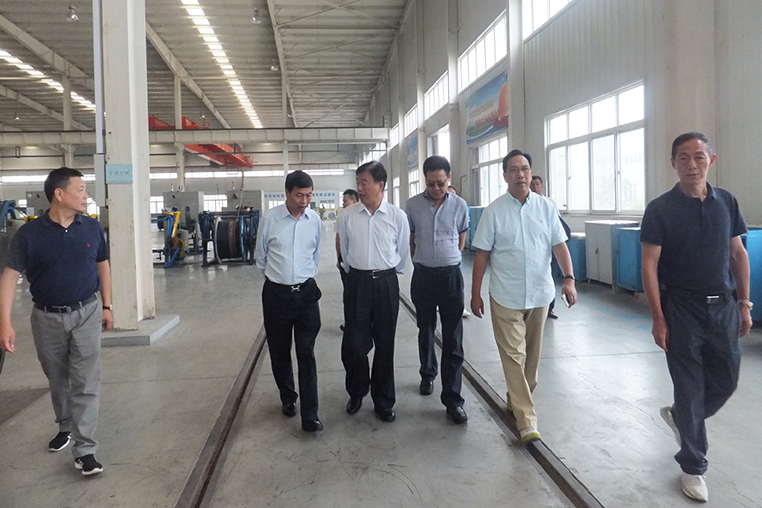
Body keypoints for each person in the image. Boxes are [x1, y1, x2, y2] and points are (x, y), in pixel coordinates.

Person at [640, 132, 751, 502]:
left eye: (699, 157)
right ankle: (693, 466)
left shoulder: (727, 202)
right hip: (682, 309)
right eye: (684, 158)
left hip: (724, 307)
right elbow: (650, 264)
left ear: (711, 160)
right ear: (673, 162)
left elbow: (738, 253)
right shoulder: (660, 209)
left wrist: (744, 303)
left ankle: (682, 418)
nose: (692, 164)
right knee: (689, 388)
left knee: (726, 381)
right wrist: (658, 317)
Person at [0, 167, 112, 476]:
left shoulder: (91, 228)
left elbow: (103, 266)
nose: (86, 195)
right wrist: (5, 323)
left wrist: (107, 305)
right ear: (59, 194)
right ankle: (65, 426)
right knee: (58, 378)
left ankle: (85, 450)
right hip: (46, 317)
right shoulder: (29, 235)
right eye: (81, 190)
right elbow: (9, 277)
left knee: (86, 381)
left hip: (87, 311)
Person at [470, 150, 577, 443]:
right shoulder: (494, 212)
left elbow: (559, 245)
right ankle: (527, 420)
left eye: (525, 169)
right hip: (505, 295)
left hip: (540, 294)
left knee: (531, 362)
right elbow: (482, 255)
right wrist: (475, 293)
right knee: (513, 357)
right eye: (514, 170)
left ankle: (516, 396)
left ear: (531, 173)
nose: (521, 174)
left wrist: (569, 279)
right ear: (505, 176)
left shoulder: (546, 207)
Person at [337, 161, 409, 423]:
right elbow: (344, 250)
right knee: (355, 344)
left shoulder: (397, 216)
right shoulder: (348, 216)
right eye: (358, 182)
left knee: (385, 343)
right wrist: (354, 274)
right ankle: (357, 392)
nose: (359, 188)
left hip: (385, 284)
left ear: (380, 185)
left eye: (364, 182)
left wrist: (386, 272)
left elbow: (402, 253)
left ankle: (384, 400)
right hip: (357, 283)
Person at [255, 170, 324, 432]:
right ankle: (288, 397)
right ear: (286, 193)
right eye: (299, 195)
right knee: (280, 351)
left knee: (306, 351)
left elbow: (316, 253)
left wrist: (302, 277)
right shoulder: (270, 219)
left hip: (306, 296)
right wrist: (279, 278)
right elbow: (260, 256)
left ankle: (310, 414)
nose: (304, 201)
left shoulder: (314, 220)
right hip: (276, 296)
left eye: (308, 195)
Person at [405, 156, 469, 424]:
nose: (436, 189)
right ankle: (427, 374)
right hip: (423, 276)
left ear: (449, 178)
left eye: (441, 183)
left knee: (453, 336)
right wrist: (420, 261)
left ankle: (453, 399)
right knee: (426, 328)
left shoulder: (460, 205)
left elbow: (462, 237)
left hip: (450, 276)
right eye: (430, 184)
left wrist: (449, 257)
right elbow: (411, 238)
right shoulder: (412, 205)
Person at [530, 175, 571, 319]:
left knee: (550, 277)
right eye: (532, 184)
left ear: (542, 186)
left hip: (551, 248)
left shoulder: (549, 203)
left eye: (537, 184)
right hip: (537, 249)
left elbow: (558, 227)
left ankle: (549, 308)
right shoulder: (526, 205)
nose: (535, 187)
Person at [335, 189, 359, 332]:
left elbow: (338, 239)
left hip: (356, 262)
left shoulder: (354, 216)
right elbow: (338, 238)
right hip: (346, 261)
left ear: (354, 201)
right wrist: (340, 258)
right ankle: (350, 322)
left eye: (345, 201)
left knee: (353, 294)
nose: (343, 204)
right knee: (349, 293)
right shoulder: (344, 216)